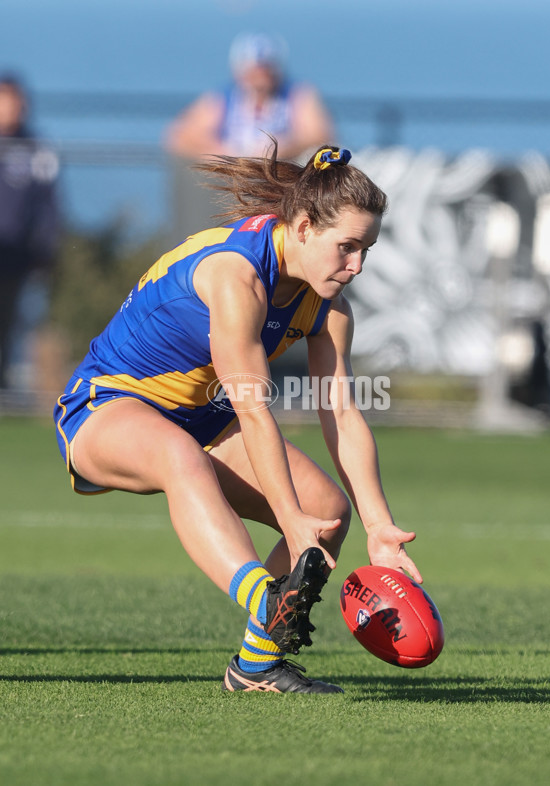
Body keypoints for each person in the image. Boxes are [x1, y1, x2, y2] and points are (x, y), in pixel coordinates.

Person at [53, 142, 422, 694]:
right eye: (346, 247)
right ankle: (265, 600)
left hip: (202, 417)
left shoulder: (329, 307)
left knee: (326, 512)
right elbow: (252, 409)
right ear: (301, 228)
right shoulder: (236, 277)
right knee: (180, 457)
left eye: (366, 250)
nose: (356, 267)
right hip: (106, 406)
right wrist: (285, 516)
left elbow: (342, 413)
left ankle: (257, 664)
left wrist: (378, 526)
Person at [164, 32, 334, 160]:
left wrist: (284, 147)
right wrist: (225, 153)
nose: (260, 79)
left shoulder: (297, 95)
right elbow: (179, 136)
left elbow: (321, 135)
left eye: (266, 71)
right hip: (232, 185)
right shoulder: (223, 98)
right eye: (254, 71)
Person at [0, 73, 60, 390]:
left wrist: (45, 249)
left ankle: (10, 393)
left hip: (21, 260)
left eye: (16, 101)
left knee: (17, 326)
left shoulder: (36, 149)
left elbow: (49, 207)